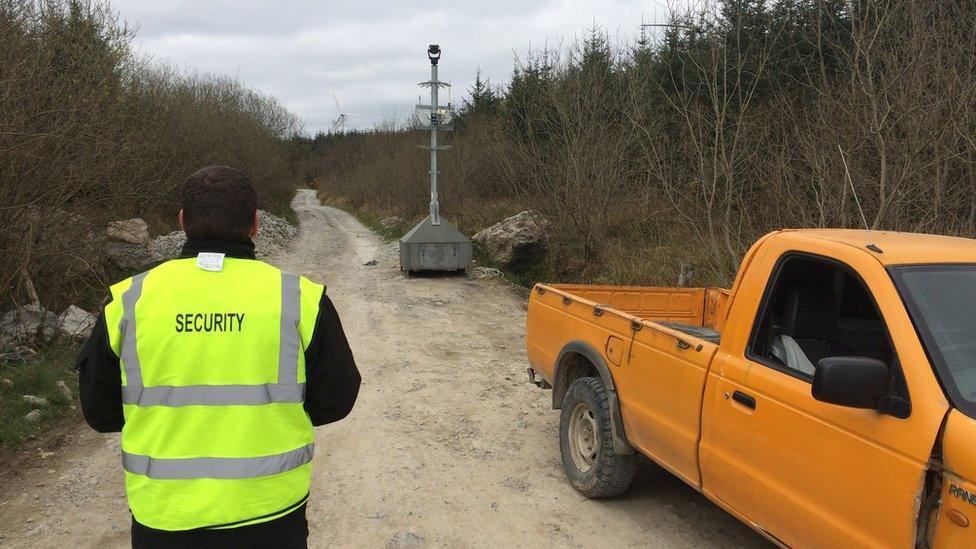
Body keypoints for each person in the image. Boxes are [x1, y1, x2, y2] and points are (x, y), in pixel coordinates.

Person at [76, 165, 361, 548]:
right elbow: (336, 399)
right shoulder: (299, 298)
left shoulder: (128, 301)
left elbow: (101, 412)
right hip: (270, 513)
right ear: (256, 224)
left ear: (182, 223)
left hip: (164, 517)